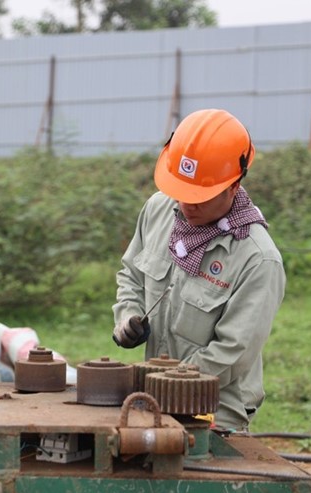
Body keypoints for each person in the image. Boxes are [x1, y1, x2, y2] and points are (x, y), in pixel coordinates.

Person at [112, 108, 285, 431]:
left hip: (214, 410)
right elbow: (131, 274)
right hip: (153, 399)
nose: (187, 204)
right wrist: (126, 318)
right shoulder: (158, 209)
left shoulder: (258, 259)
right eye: (181, 191)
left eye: (200, 196)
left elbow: (233, 351)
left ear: (234, 186)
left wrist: (166, 385)